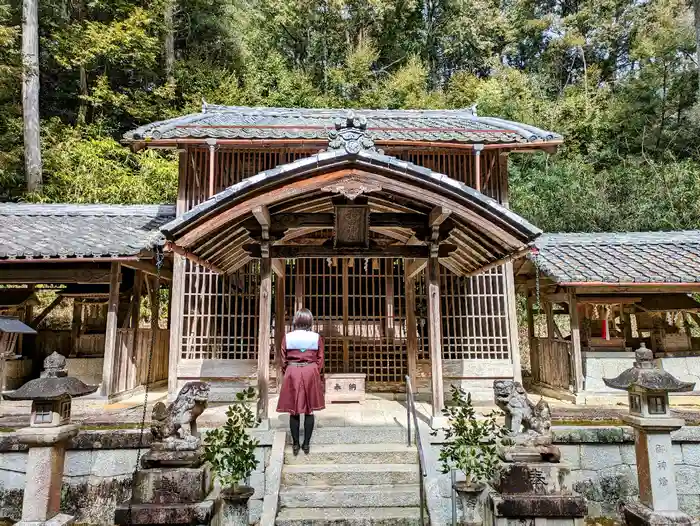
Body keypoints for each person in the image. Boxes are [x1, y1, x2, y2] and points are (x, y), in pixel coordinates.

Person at [276, 308, 325, 455]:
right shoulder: (316, 337)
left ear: (296, 320)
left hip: (293, 371)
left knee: (294, 410)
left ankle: (296, 444)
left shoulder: (288, 337)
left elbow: (283, 358)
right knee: (309, 410)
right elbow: (320, 359)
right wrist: (314, 369)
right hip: (310, 370)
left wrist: (289, 370)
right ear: (309, 321)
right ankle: (306, 444)